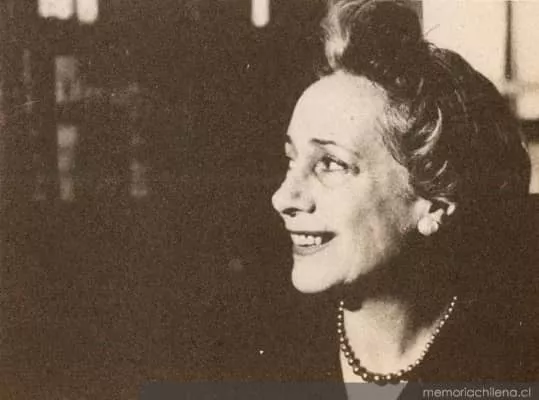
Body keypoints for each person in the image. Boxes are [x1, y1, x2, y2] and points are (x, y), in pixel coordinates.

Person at [267, 0, 533, 395]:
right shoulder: (244, 348)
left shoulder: (513, 366)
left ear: (434, 202)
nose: (283, 198)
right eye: (292, 159)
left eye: (331, 164)